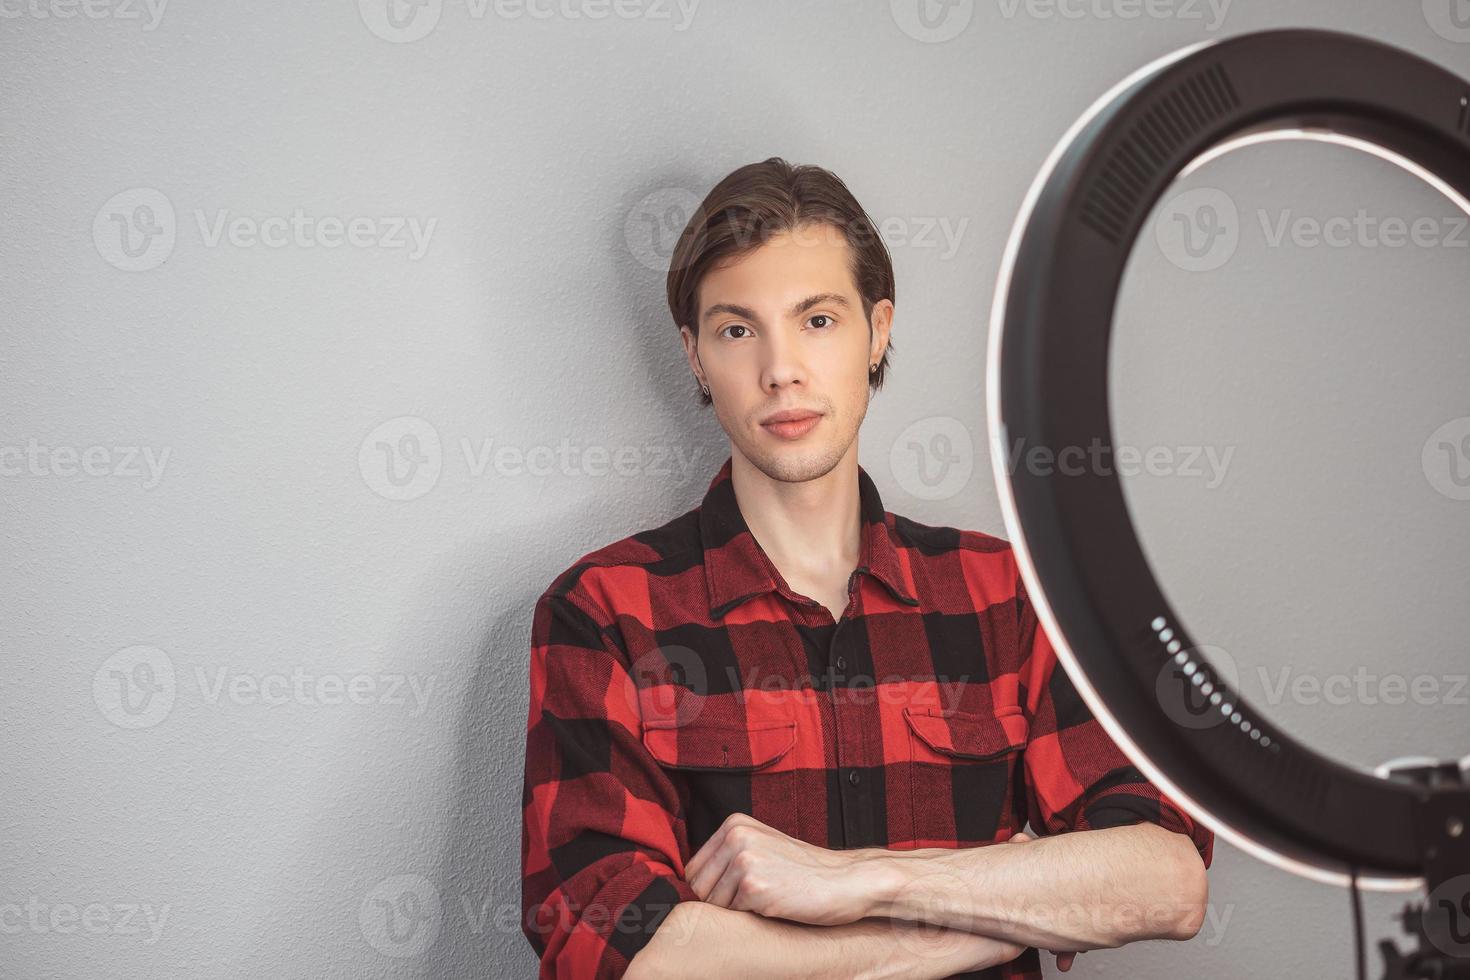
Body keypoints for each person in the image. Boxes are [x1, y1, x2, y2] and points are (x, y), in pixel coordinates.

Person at [520, 157, 1213, 979]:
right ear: (696, 355)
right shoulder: (604, 610)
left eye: (817, 320)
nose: (781, 369)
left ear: (877, 330)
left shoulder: (1007, 595)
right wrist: (986, 921)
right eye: (738, 330)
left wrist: (856, 881)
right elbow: (617, 949)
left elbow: (1166, 877)